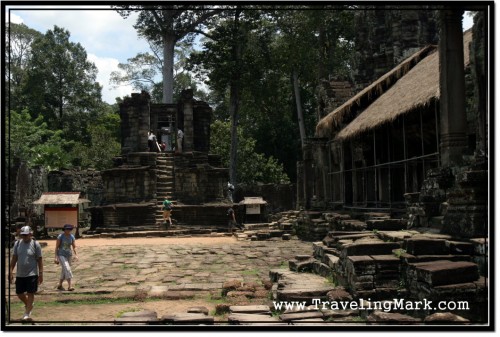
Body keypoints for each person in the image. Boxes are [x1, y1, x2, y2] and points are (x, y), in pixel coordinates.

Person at [9, 226, 43, 321]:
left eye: (26, 235)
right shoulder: (17, 244)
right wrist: (10, 271)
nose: (24, 236)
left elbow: (39, 260)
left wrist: (41, 273)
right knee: (19, 293)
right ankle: (29, 304)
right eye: (22, 235)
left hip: (32, 273)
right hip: (20, 273)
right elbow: (14, 258)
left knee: (30, 292)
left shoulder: (36, 244)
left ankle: (26, 314)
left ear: (30, 234)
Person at [54, 224, 78, 291]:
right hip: (61, 254)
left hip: (69, 255)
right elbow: (56, 247)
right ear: (64, 229)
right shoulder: (60, 236)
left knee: (64, 270)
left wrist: (76, 255)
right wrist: (55, 257)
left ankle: (60, 285)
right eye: (67, 229)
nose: (68, 230)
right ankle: (69, 286)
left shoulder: (72, 236)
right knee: (67, 268)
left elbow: (74, 246)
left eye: (69, 229)